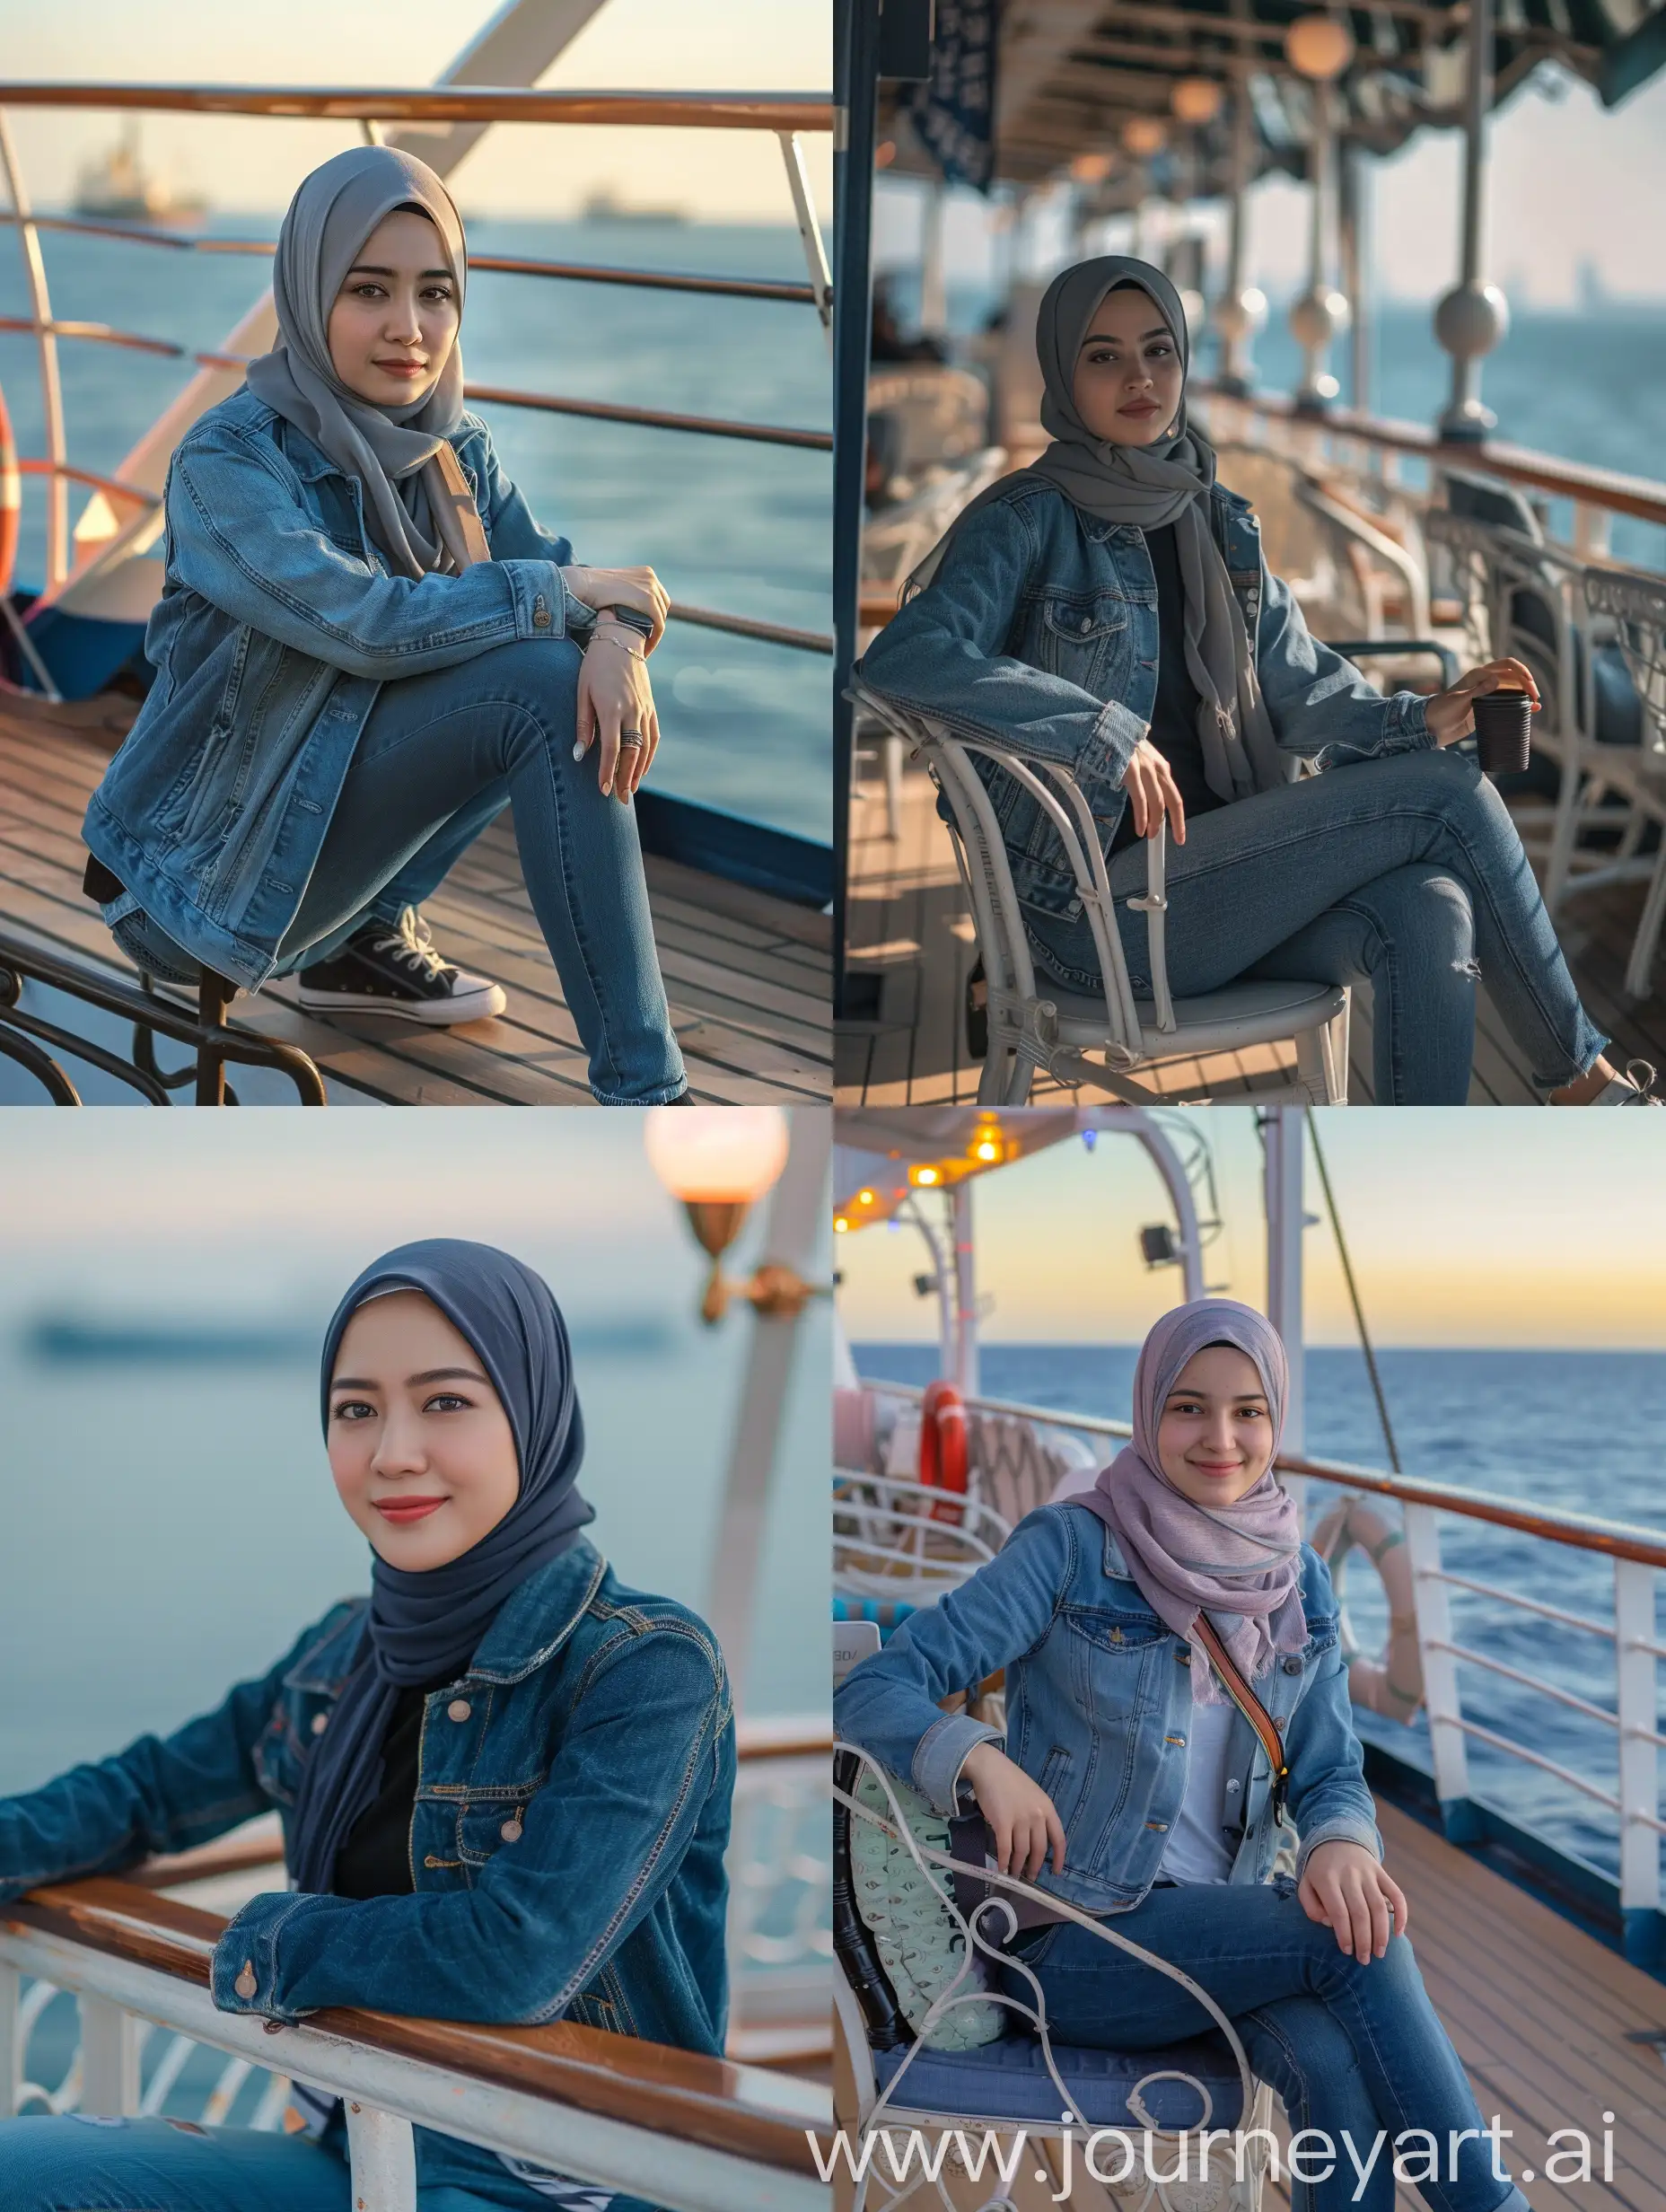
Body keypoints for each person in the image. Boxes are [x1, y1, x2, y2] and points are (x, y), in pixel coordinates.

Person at [0, 1239, 735, 2212]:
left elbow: (518, 1956)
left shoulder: (642, 1666)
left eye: (445, 1401)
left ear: (534, 1411)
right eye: (356, 1410)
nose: (391, 1453)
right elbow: (146, 1792)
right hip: (359, 2142)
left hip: (563, 2181)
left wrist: (269, 1939)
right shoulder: (345, 1652)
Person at [856, 254, 1655, 1106]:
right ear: (1062, 370)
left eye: (1159, 351)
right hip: (1097, 918)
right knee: (1449, 798)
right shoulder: (1025, 519)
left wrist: (1432, 713)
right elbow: (903, 661)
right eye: (1103, 356)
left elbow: (1302, 688)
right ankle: (1585, 1086)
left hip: (1223, 886)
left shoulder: (1217, 519)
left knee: (1432, 909)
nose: (1139, 377)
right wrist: (1098, 732)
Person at [836, 1299, 1535, 2212]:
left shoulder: (1297, 1580)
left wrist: (1340, 1842)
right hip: (1071, 1939)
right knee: (1355, 1944)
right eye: (1188, 1406)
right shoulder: (1071, 1550)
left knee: (1329, 2058)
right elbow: (870, 1687)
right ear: (1148, 1409)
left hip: (1220, 1937)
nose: (1220, 1436)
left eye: (1248, 1410)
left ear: (1274, 1421)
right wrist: (977, 1754)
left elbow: (1326, 1769)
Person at [82, 145, 689, 1105]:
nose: (409, 328)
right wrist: (577, 604)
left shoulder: (452, 452)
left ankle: (365, 942)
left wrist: (615, 640)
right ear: (308, 289)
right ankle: (647, 1096)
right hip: (194, 886)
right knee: (533, 681)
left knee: (553, 663)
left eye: (435, 293)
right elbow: (364, 624)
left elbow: (578, 592)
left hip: (325, 869)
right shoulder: (225, 466)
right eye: (369, 290)